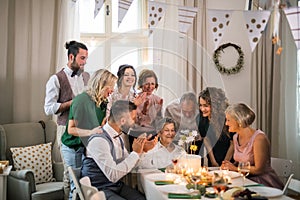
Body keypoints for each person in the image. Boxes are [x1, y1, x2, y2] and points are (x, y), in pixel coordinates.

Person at [81, 100, 156, 200]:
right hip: (99, 190)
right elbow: (113, 175)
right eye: (133, 118)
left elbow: (128, 163)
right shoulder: (99, 141)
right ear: (122, 121)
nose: (135, 122)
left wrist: (143, 150)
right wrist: (136, 153)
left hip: (115, 186)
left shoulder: (118, 136)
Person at [61, 69, 117, 199]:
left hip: (87, 147)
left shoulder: (103, 102)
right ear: (101, 84)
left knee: (86, 186)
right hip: (73, 146)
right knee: (76, 187)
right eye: (111, 86)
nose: (112, 90)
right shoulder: (81, 100)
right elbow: (71, 129)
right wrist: (91, 132)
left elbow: (99, 125)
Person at [44, 40, 89, 198]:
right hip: (65, 129)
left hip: (84, 130)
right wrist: (70, 104)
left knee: (83, 173)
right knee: (69, 174)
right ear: (71, 56)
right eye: (82, 58)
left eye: (86, 58)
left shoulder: (86, 76)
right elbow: (48, 108)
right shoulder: (56, 79)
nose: (85, 62)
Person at [221, 103, 284, 190]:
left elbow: (259, 169)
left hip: (262, 182)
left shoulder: (259, 139)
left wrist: (235, 168)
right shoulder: (236, 137)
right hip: (245, 180)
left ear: (239, 121)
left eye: (228, 120)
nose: (226, 124)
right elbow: (240, 161)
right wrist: (229, 165)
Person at [196, 87, 234, 167]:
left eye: (206, 106)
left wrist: (225, 163)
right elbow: (206, 141)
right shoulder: (200, 119)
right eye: (200, 105)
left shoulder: (228, 118)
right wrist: (213, 162)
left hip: (231, 161)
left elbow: (233, 143)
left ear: (216, 105)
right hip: (213, 160)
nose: (202, 109)